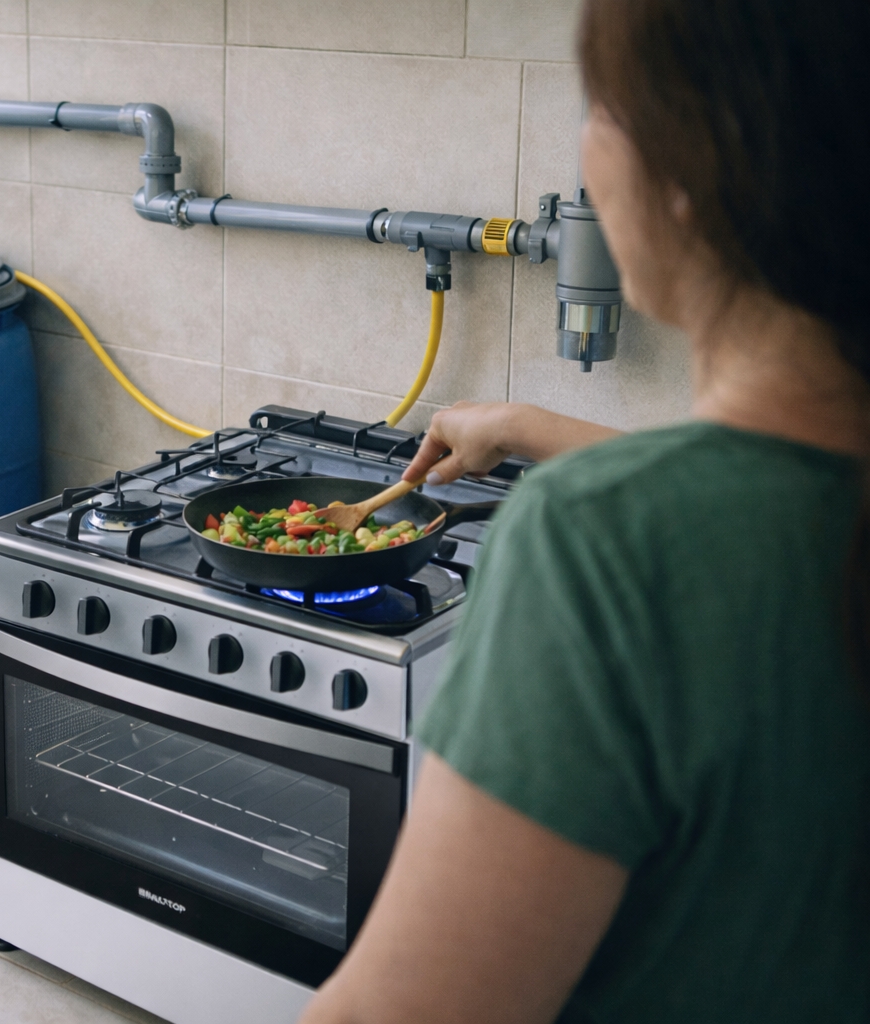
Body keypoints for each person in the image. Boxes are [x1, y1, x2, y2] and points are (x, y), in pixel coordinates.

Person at [300, 0, 870, 1021]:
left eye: (602, 105)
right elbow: (766, 498)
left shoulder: (600, 540)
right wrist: (526, 425)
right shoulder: (733, 518)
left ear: (696, 173)